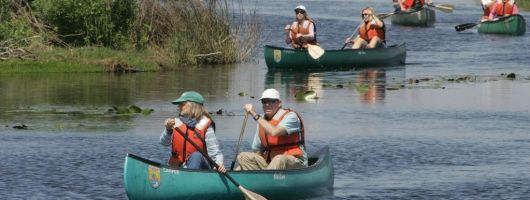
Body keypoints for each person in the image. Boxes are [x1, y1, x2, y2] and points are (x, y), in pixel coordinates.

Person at [236, 88, 307, 170]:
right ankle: (259, 179)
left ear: (279, 103)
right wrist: (237, 170)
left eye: (272, 101)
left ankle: (265, 180)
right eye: (264, 101)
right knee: (243, 156)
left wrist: (253, 113)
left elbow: (274, 132)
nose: (267, 104)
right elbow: (258, 151)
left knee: (279, 159)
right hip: (270, 165)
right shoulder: (262, 121)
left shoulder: (291, 116)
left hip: (295, 163)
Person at [160, 91, 226, 173]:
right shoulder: (175, 122)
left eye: (182, 104)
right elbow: (164, 143)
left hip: (201, 169)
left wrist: (219, 164)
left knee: (196, 156)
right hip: (178, 168)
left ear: (193, 106)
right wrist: (168, 129)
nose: (179, 106)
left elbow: (215, 152)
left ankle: (188, 180)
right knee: (153, 161)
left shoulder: (205, 124)